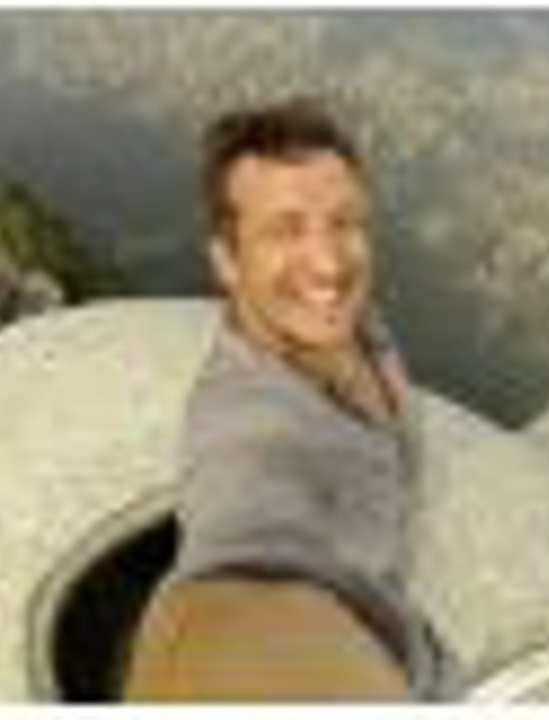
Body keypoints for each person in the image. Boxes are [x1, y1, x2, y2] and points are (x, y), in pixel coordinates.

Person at [123, 98, 456, 701]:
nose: (329, 264)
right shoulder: (246, 437)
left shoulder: (357, 332)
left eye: (344, 222)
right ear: (226, 261)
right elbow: (224, 601)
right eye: (285, 229)